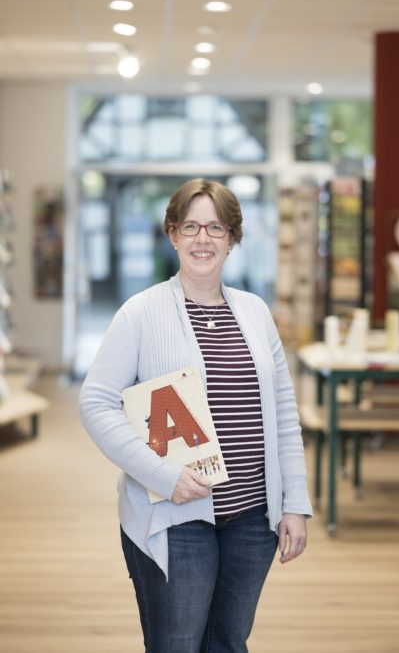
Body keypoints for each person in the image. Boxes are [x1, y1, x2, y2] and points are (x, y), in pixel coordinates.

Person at [79, 178, 313, 653]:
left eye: (216, 228)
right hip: (176, 514)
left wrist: (294, 503)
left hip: (252, 516)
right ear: (172, 234)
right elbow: (95, 402)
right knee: (178, 644)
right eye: (191, 226)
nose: (203, 239)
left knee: (229, 641)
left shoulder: (254, 311)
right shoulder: (140, 314)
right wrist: (163, 475)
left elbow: (284, 413)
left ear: (233, 238)